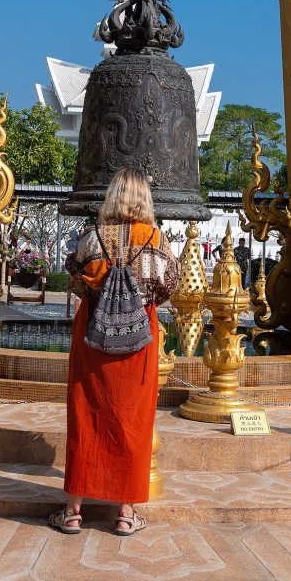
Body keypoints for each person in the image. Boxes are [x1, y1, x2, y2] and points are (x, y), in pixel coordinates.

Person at [55, 167, 178, 537]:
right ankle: (125, 512)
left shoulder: (91, 238)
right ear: (144, 199)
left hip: (92, 337)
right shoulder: (155, 239)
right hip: (138, 341)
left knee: (86, 418)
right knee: (132, 421)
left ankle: (73, 511)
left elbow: (75, 279)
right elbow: (167, 286)